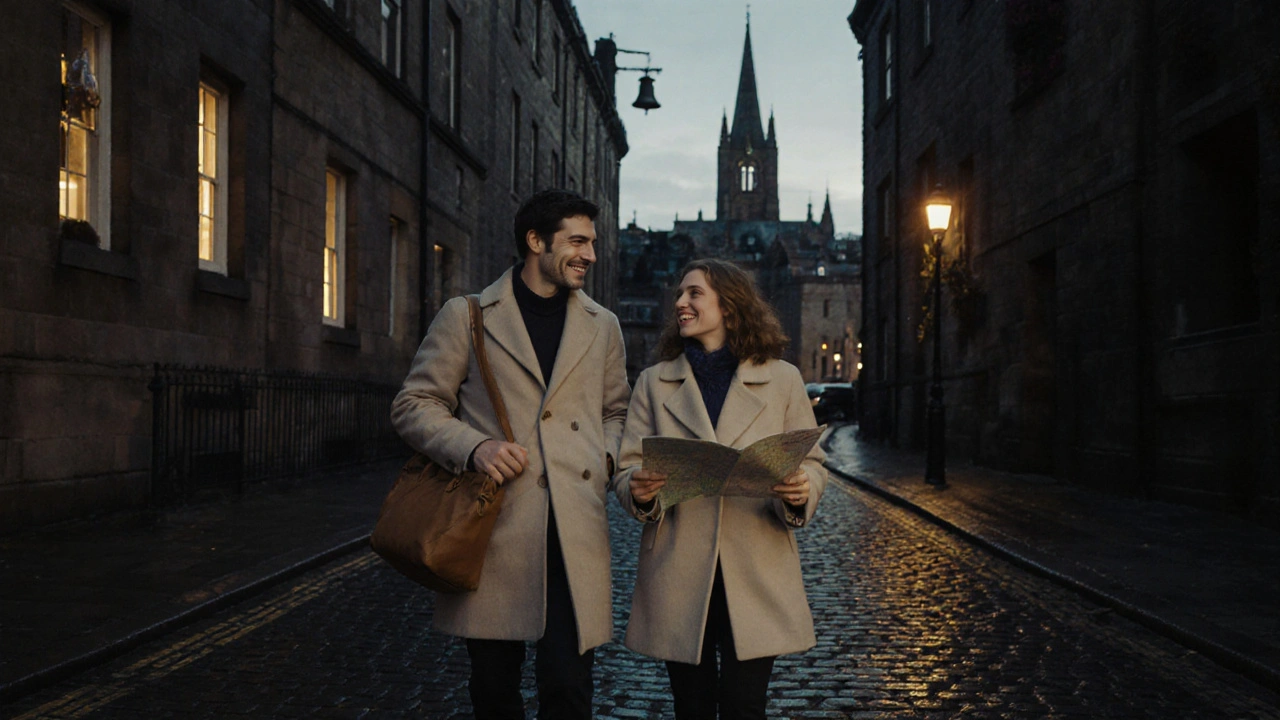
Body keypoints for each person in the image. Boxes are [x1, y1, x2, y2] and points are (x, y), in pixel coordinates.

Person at [391, 189, 630, 720]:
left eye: (592, 243)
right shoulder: (468, 315)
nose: (590, 255)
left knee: (569, 688)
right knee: (494, 690)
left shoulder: (603, 325)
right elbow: (414, 403)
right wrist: (474, 447)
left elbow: (617, 411)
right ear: (536, 241)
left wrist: (605, 462)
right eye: (578, 242)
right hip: (494, 528)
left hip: (574, 533)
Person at [612, 258, 826, 720]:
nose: (681, 303)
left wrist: (800, 489)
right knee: (691, 706)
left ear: (729, 305)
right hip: (678, 568)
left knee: (745, 705)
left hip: (757, 567)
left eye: (694, 293)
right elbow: (627, 468)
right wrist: (640, 489)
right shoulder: (653, 382)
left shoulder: (783, 379)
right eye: (679, 294)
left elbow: (811, 461)